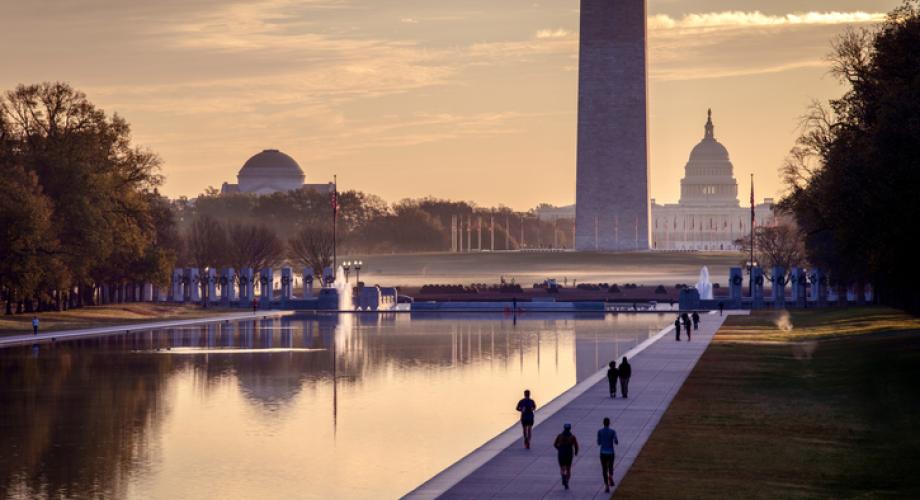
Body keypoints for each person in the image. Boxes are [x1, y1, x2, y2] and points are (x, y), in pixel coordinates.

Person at [554, 423, 579, 490]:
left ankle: (563, 476)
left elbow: (555, 444)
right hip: (569, 453)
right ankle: (567, 482)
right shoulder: (572, 437)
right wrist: (576, 452)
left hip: (561, 453)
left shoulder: (560, 436)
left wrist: (559, 449)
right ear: (570, 428)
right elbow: (576, 446)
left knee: (562, 468)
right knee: (568, 469)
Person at [597, 417, 619, 492]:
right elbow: (616, 441)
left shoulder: (600, 431)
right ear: (609, 423)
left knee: (604, 469)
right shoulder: (613, 431)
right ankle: (610, 476)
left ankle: (606, 486)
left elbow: (598, 443)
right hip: (611, 452)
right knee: (611, 466)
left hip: (603, 452)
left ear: (603, 423)